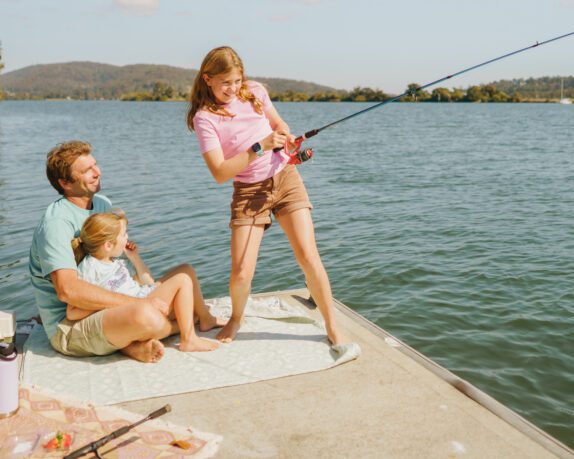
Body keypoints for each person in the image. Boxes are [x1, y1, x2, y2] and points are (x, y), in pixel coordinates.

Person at [188, 46, 346, 345]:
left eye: (236, 81)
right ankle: (236, 318)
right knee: (242, 272)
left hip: (285, 178)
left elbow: (279, 123)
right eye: (225, 83)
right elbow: (220, 172)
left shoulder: (255, 91)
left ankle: (332, 325)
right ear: (207, 79)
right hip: (249, 192)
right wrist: (259, 146)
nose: (232, 89)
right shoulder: (205, 117)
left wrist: (284, 135)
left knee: (308, 256)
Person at [29, 141, 222, 364]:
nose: (97, 172)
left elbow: (111, 267)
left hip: (106, 310)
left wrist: (141, 288)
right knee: (148, 315)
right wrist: (139, 303)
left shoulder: (101, 204)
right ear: (65, 183)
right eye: (86, 170)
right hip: (70, 326)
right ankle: (142, 340)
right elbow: (68, 291)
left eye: (95, 165)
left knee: (184, 275)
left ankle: (133, 343)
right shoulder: (56, 223)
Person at [68, 208, 218, 352]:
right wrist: (108, 303)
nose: (127, 237)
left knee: (186, 269)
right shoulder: (90, 267)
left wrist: (134, 257)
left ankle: (205, 319)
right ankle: (188, 339)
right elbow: (72, 312)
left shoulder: (114, 260)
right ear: (108, 245)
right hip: (139, 307)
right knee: (182, 280)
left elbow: (148, 282)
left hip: (144, 295)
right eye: (123, 234)